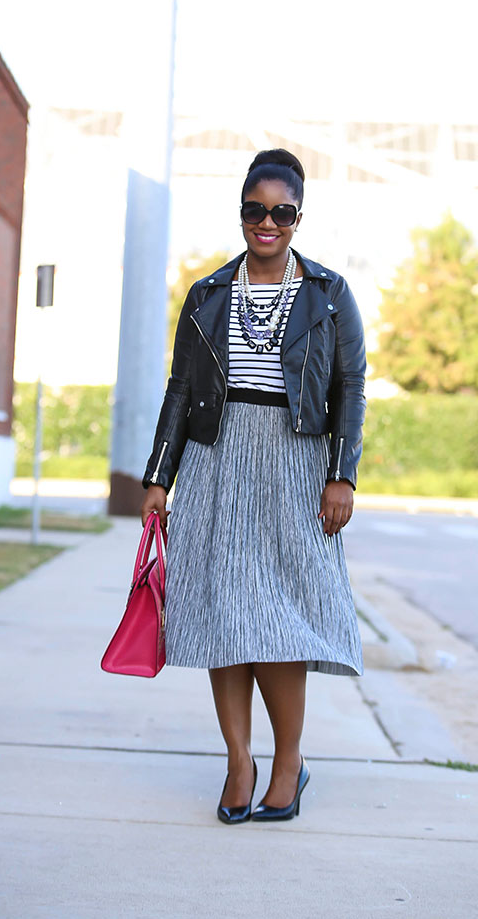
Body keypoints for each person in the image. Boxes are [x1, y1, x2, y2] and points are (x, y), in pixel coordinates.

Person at [141, 148, 366, 824]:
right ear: (240, 212)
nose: (266, 222)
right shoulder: (209, 294)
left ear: (298, 218)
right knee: (222, 615)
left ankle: (288, 763)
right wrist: (159, 476)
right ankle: (238, 761)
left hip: (295, 463)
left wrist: (341, 474)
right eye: (254, 210)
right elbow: (180, 389)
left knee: (280, 620)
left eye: (281, 212)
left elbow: (350, 387)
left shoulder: (327, 293)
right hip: (215, 459)